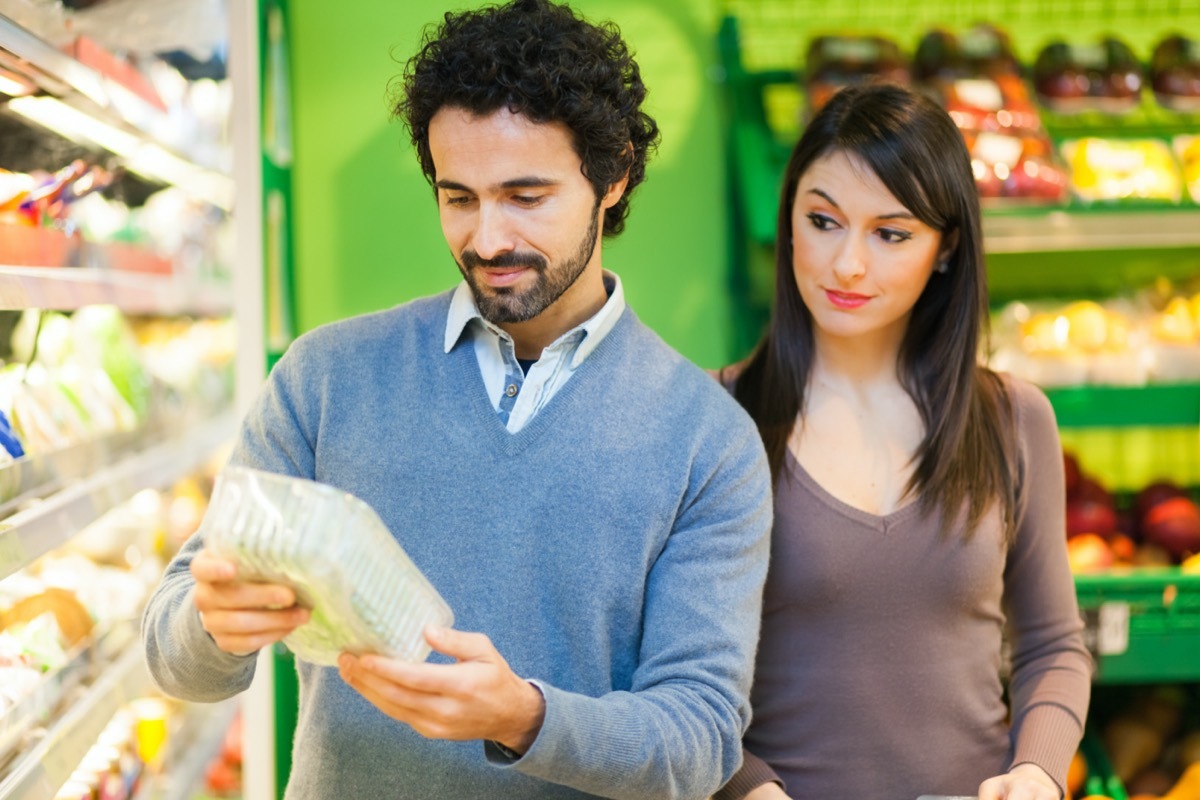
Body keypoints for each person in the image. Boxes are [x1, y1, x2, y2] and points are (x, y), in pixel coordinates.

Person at [141, 1, 772, 798]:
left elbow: (699, 739)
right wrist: (214, 626)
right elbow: (174, 655)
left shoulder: (705, 438)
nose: (487, 238)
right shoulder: (326, 377)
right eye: (459, 197)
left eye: (526, 195)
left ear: (611, 179)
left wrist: (525, 719)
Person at [713, 83, 1093, 800]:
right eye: (823, 221)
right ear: (789, 217)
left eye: (891, 234)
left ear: (946, 248)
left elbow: (1053, 644)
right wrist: (748, 788)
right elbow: (669, 674)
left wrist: (1038, 772)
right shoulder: (714, 420)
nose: (847, 264)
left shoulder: (1014, 419)